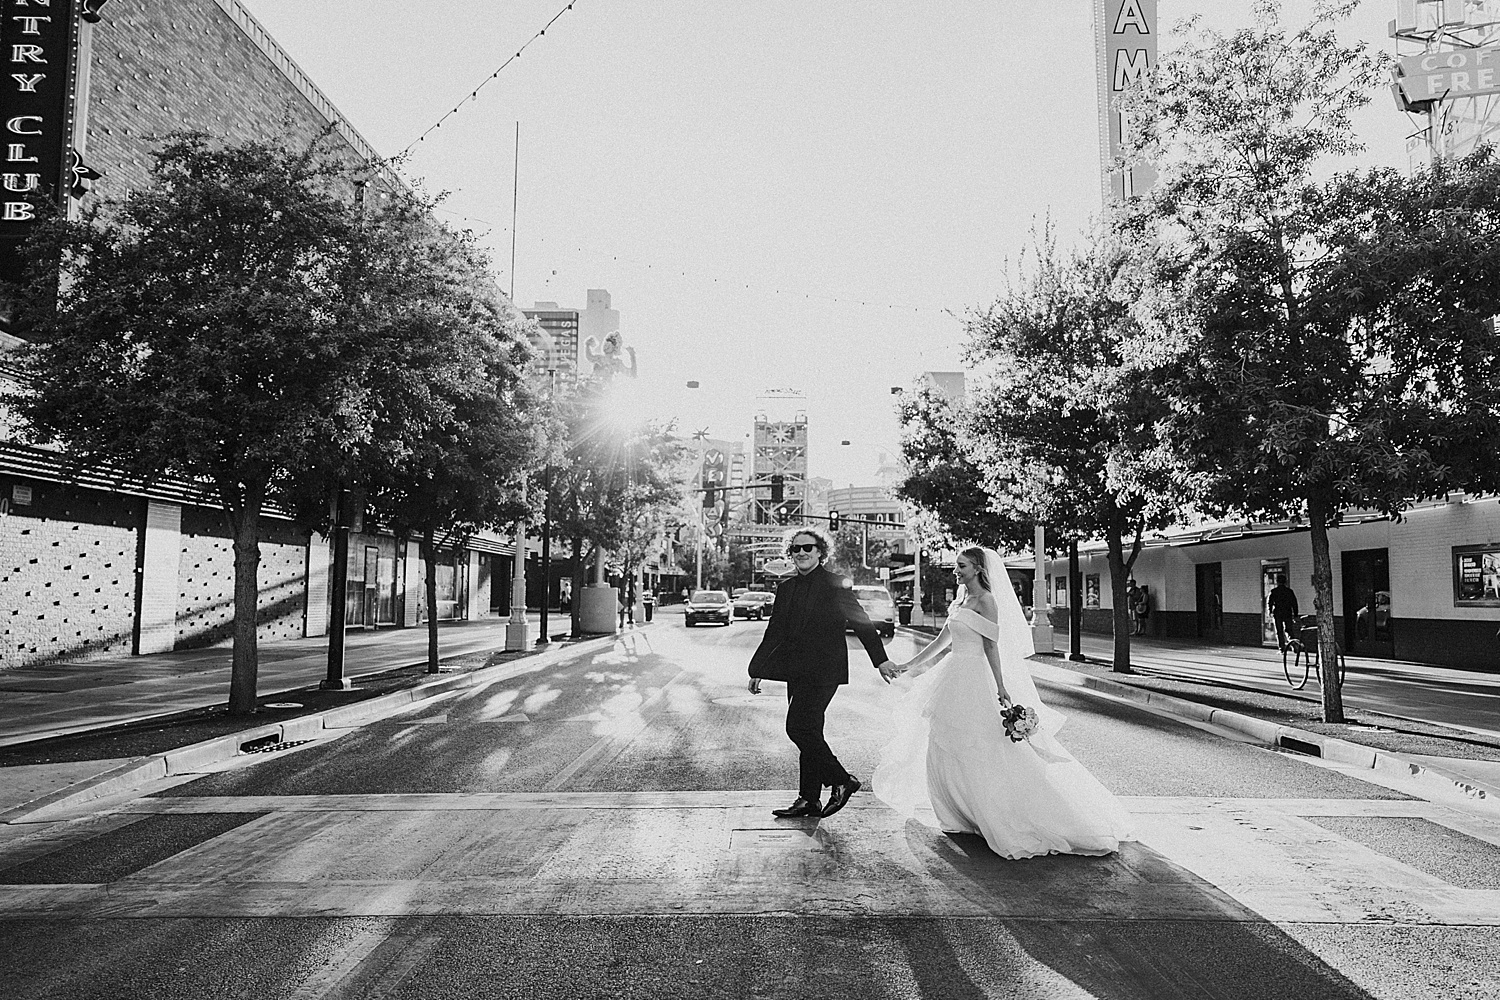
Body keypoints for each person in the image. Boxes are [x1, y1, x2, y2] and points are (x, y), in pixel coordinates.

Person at [874, 546, 1135, 859]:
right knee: (943, 742)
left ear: (978, 569)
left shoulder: (986, 601)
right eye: (957, 566)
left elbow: (991, 647)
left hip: (974, 678)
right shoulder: (960, 599)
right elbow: (942, 642)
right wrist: (907, 666)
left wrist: (1001, 687)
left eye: (962, 566)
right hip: (952, 676)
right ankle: (959, 813)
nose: (956, 571)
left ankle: (997, 814)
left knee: (981, 747)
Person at [748, 527, 897, 819]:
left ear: (820, 552)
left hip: (825, 670)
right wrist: (758, 669)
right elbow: (774, 631)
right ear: (790, 553)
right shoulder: (786, 588)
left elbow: (863, 622)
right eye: (796, 549)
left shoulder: (834, 584)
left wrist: (880, 660)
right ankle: (809, 799)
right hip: (796, 670)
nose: (801, 553)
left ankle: (842, 780)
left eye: (808, 548)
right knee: (811, 732)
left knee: (798, 728)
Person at [1268, 575, 1300, 650]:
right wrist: (1295, 614)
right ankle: (1293, 644)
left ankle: (1281, 647)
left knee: (1279, 631)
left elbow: (1270, 603)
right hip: (1287, 612)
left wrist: (1270, 611)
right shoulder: (1289, 591)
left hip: (1277, 613)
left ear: (1277, 582)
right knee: (1289, 629)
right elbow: (1294, 603)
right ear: (1285, 581)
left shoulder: (1274, 591)